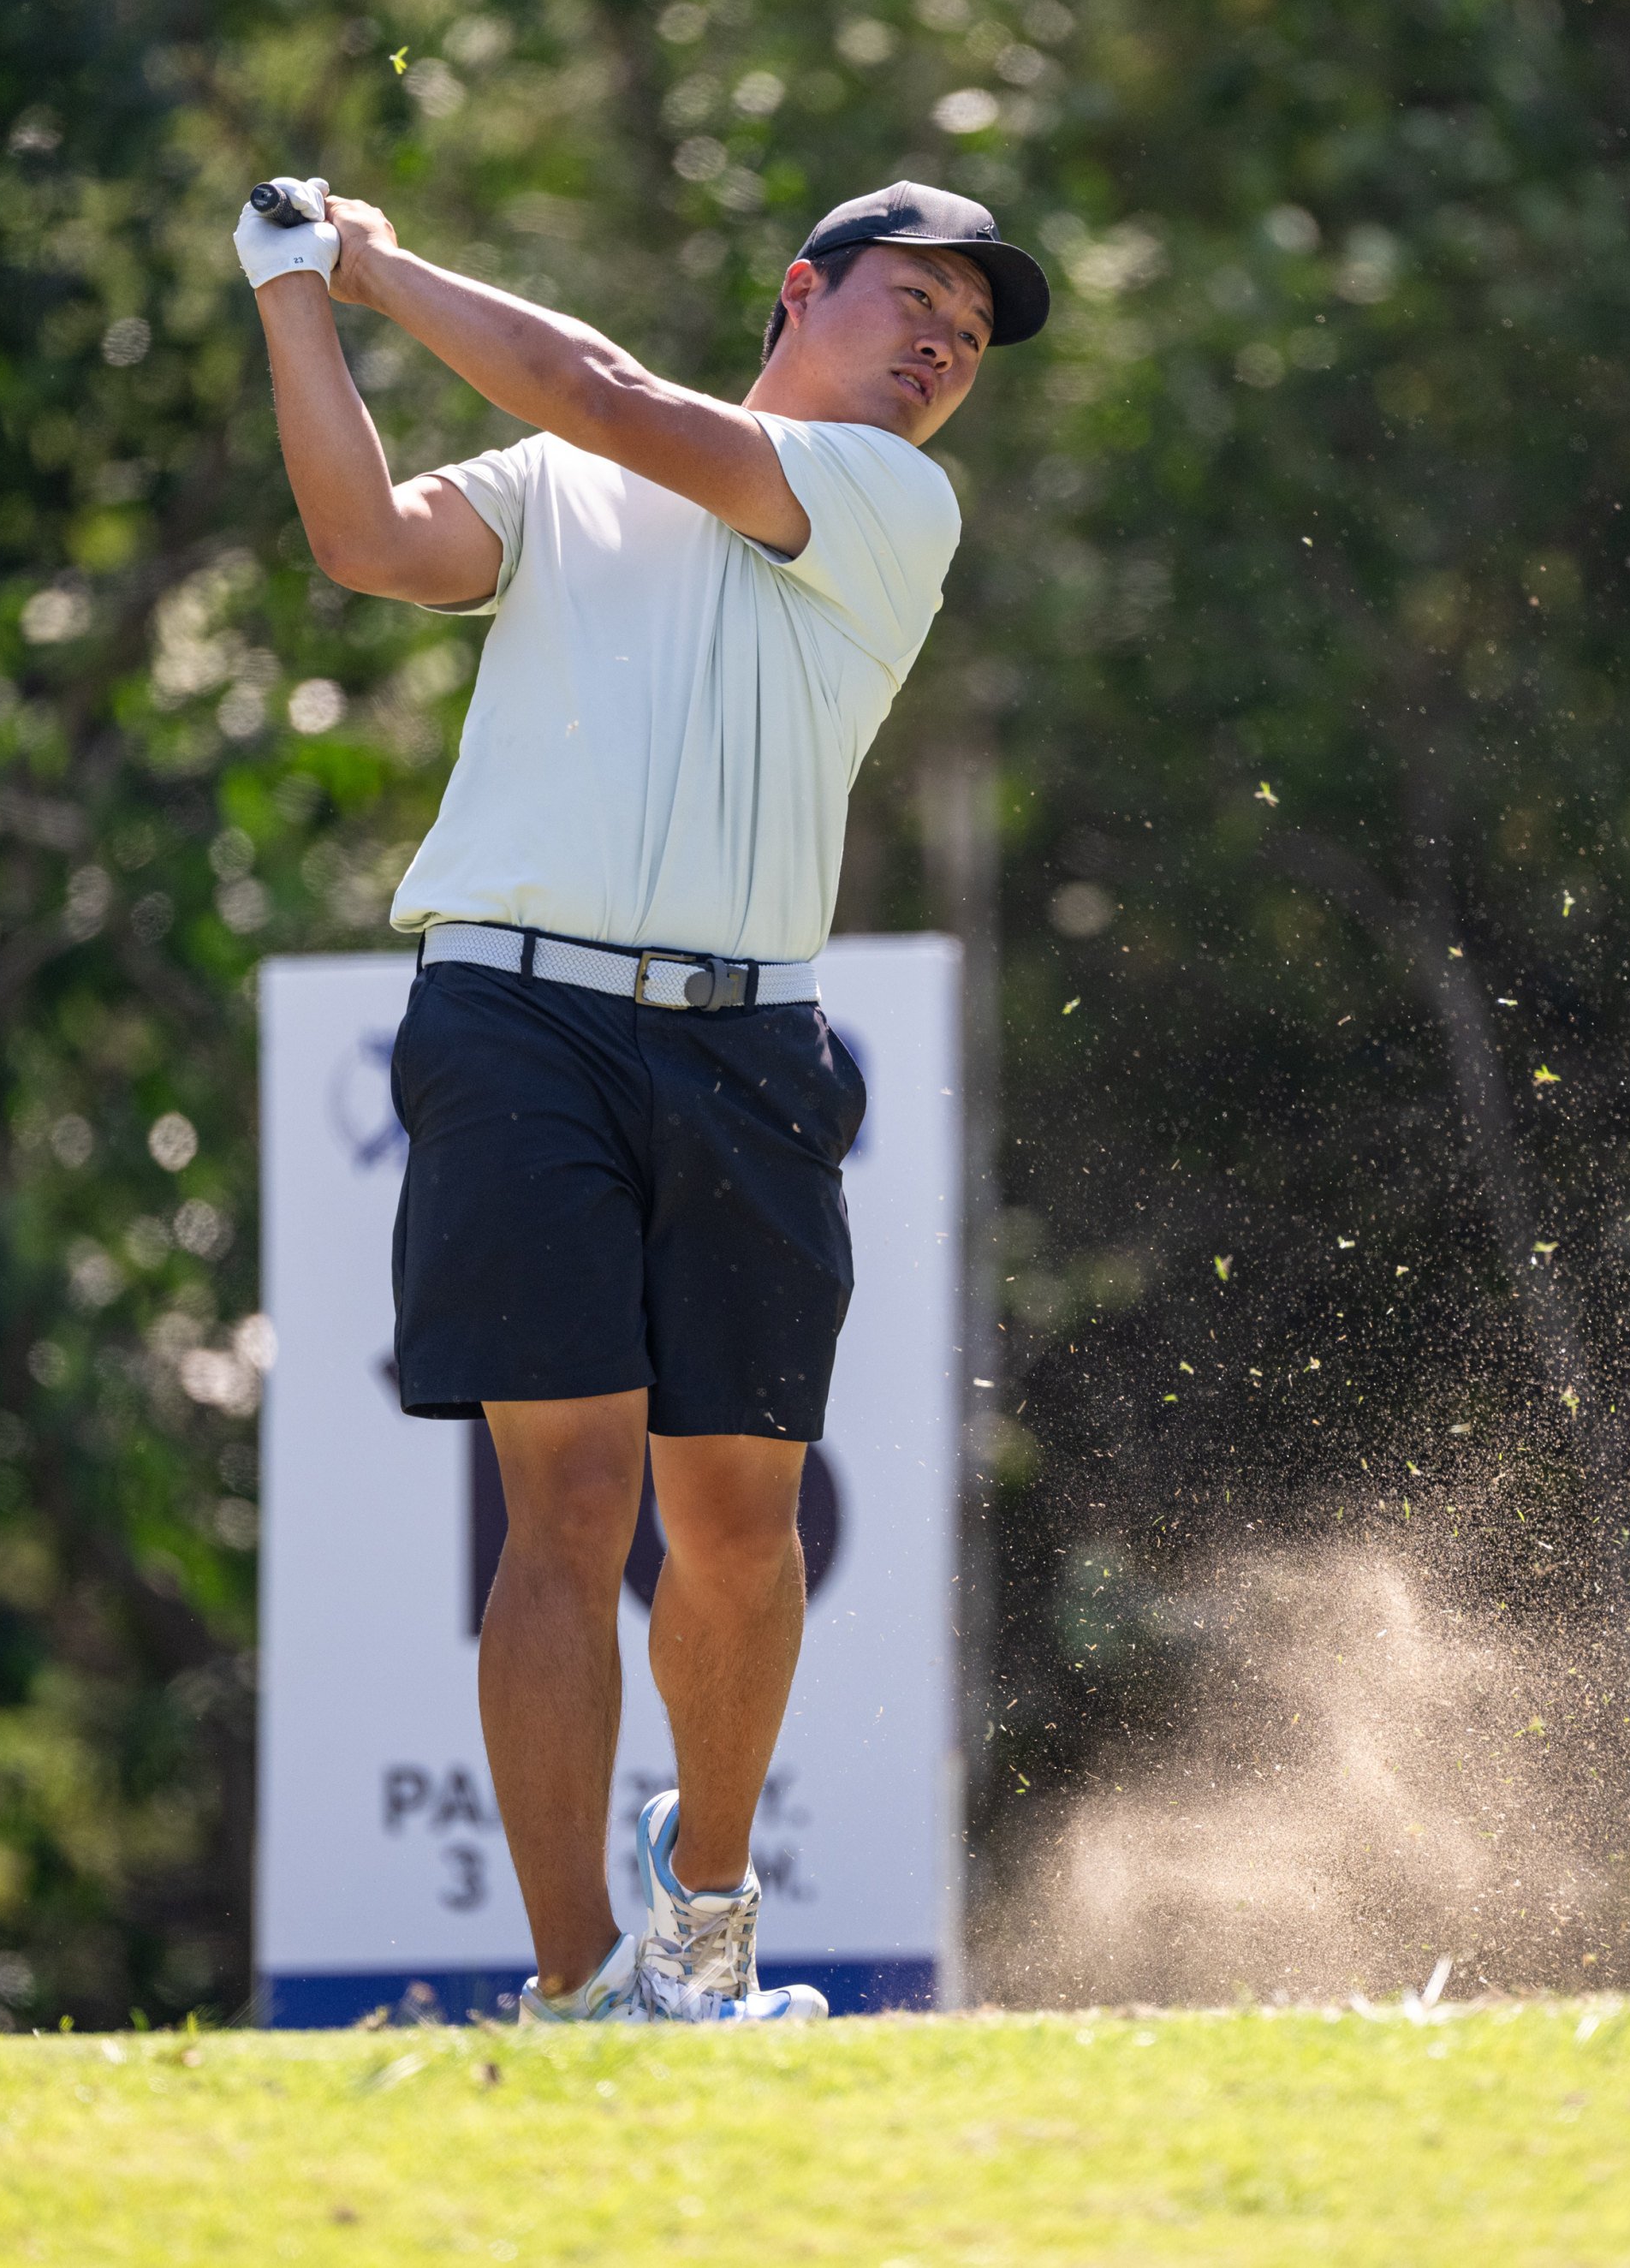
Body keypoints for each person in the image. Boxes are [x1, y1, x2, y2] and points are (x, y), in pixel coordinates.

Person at [235, 178, 1045, 2021]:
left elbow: (603, 393)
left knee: (739, 1525)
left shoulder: (883, 499)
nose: (939, 346)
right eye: (912, 299)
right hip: (512, 1026)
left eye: (969, 337)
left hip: (748, 1046)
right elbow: (365, 540)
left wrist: (373, 260)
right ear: (797, 293)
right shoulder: (550, 491)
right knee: (568, 1501)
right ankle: (575, 1981)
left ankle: (703, 1919)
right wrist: (293, 293)